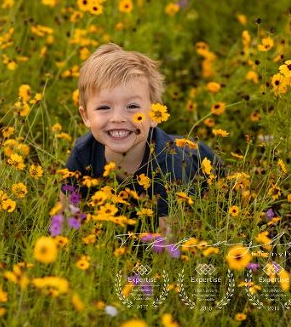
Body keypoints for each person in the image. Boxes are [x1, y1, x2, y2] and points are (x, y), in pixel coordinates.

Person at [63, 43, 222, 237]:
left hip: (207, 180)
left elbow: (171, 242)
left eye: (132, 106)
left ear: (154, 113)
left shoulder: (169, 166)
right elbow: (64, 216)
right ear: (85, 115)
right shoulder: (82, 154)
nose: (118, 118)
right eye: (104, 107)